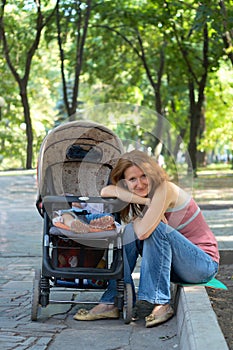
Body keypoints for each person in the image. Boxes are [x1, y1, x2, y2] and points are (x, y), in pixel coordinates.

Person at [73, 150, 219, 328]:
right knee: (128, 232)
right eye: (132, 179)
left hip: (201, 265)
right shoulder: (144, 198)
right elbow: (106, 190)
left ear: (153, 174)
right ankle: (112, 300)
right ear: (125, 182)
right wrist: (143, 203)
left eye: (144, 176)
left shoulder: (166, 189)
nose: (140, 183)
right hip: (177, 266)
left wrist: (138, 219)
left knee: (151, 228)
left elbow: (143, 233)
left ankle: (161, 302)